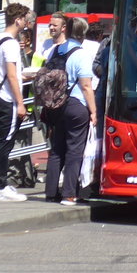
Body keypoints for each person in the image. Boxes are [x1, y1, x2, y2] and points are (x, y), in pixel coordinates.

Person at [0, 3, 31, 202]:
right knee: (4, 143)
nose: (26, 23)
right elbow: (11, 75)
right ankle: (1, 186)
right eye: (25, 19)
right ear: (17, 20)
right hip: (7, 99)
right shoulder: (10, 43)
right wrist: (20, 103)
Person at [43, 22, 97, 205]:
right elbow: (86, 86)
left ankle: (50, 193)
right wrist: (94, 111)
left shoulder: (55, 51)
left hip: (56, 104)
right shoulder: (81, 54)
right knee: (75, 150)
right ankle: (69, 194)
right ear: (82, 35)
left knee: (57, 148)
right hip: (75, 104)